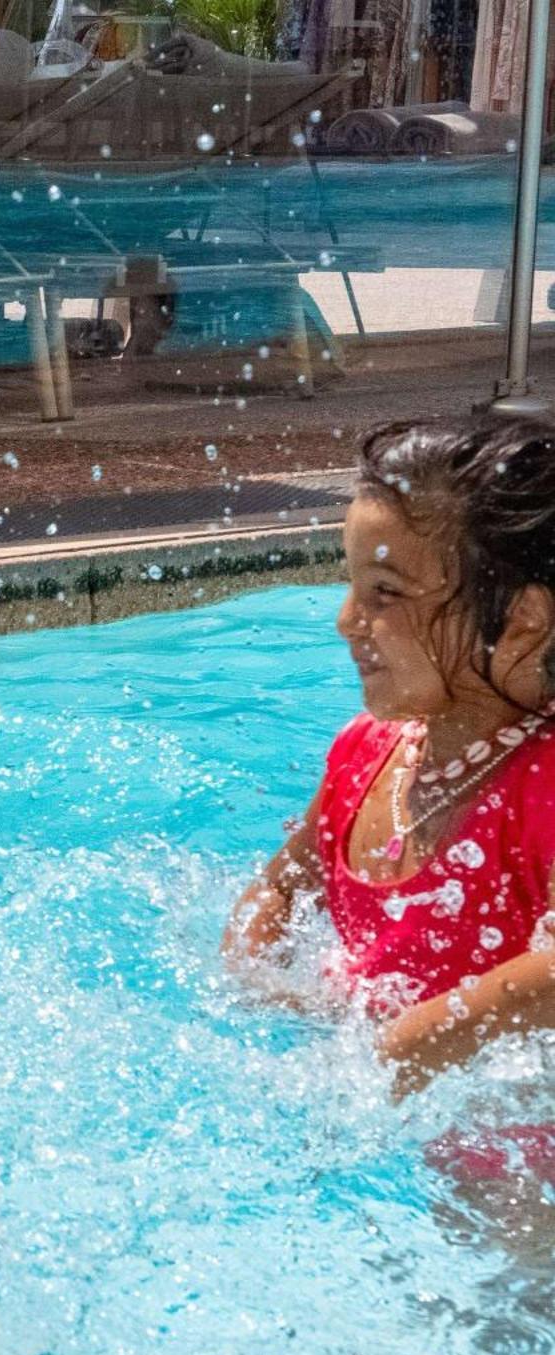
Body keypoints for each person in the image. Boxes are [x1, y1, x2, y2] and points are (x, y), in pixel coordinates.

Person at [225, 415, 555, 1164]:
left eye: (386, 593)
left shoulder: (545, 788)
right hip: (399, 1117)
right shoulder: (364, 755)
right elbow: (282, 887)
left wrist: (414, 1038)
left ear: (523, 623)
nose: (347, 622)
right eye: (351, 586)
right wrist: (257, 975)